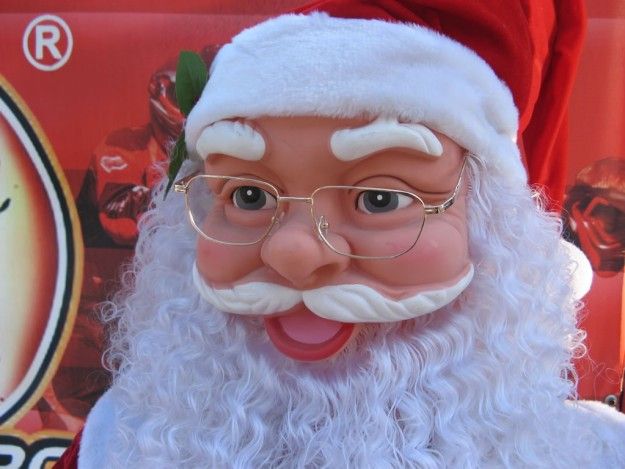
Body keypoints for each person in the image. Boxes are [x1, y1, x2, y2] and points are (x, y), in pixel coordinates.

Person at [56, 0, 625, 467]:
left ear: (491, 229)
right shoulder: (113, 448)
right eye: (249, 197)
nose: (294, 252)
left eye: (380, 200)